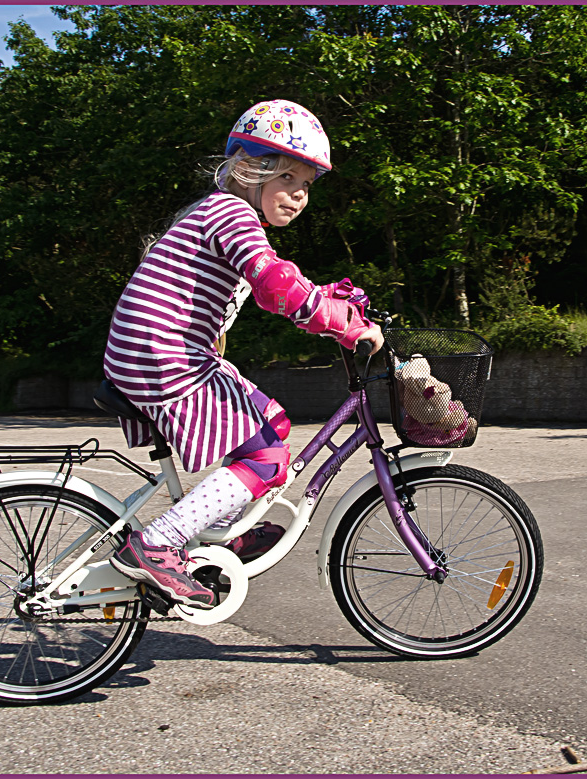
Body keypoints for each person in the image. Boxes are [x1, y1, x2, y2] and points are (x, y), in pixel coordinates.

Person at [104, 99, 384, 607]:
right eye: (288, 178)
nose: (298, 195)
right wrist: (341, 324)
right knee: (270, 457)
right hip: (164, 358)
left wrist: (333, 299)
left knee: (270, 426)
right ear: (251, 169)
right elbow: (275, 283)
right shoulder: (232, 211)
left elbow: (282, 277)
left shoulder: (220, 213)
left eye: (306, 185)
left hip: (157, 354)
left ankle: (222, 532)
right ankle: (157, 543)